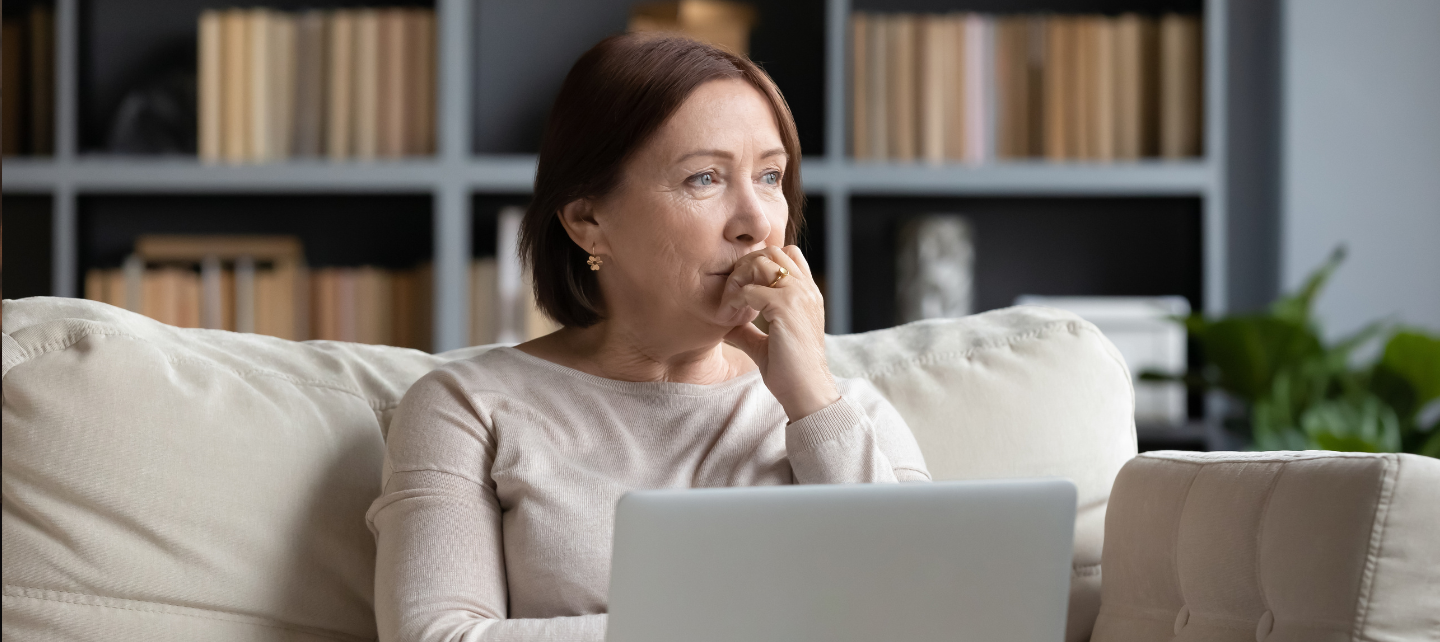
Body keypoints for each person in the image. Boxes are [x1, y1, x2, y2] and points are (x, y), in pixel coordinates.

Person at [366, 33, 930, 641]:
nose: (757, 223)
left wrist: (814, 402)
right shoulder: (466, 408)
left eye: (770, 176)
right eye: (705, 179)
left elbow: (923, 620)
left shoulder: (848, 414)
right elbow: (436, 636)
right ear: (588, 221)